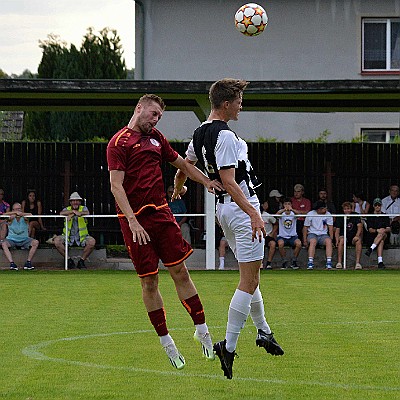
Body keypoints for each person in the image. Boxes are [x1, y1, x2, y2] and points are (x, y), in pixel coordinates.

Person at [174, 79, 284, 380]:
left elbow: (184, 165)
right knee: (247, 281)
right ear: (225, 103)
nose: (241, 105)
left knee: (252, 276)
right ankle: (229, 346)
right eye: (238, 100)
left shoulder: (200, 133)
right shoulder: (224, 136)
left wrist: (181, 186)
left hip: (226, 211)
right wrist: (254, 214)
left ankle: (264, 332)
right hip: (239, 208)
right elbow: (231, 181)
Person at [107, 94, 223, 370]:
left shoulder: (157, 139)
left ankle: (203, 331)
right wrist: (133, 221)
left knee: (180, 271)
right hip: (135, 222)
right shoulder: (118, 143)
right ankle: (167, 343)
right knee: (150, 282)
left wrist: (206, 182)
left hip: (161, 215)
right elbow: (116, 186)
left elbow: (183, 165)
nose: (156, 119)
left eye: (159, 116)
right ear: (139, 108)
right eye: (153, 113)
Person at [53, 192, 96, 269]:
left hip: (82, 237)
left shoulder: (83, 208)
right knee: (57, 241)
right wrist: (73, 212)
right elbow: (61, 213)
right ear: (70, 202)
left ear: (80, 202)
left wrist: (74, 214)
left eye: (77, 200)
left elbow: (87, 213)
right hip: (67, 236)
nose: (75, 202)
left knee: (92, 242)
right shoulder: (67, 209)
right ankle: (69, 260)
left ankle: (81, 261)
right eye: (73, 200)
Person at [1, 202, 39, 270]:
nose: (17, 211)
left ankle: (28, 262)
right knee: (4, 244)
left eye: (19, 209)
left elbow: (30, 214)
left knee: (35, 242)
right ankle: (12, 264)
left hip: (24, 239)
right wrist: (14, 214)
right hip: (12, 239)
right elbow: (4, 214)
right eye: (15, 209)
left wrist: (21, 214)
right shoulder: (10, 218)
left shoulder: (25, 217)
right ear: (12, 210)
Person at [303, 201, 334, 270]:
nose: (326, 209)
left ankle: (329, 262)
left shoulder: (328, 214)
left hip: (323, 234)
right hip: (312, 234)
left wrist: (331, 239)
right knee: (313, 241)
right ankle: (310, 262)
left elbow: (330, 227)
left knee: (328, 241)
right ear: (318, 209)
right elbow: (305, 227)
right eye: (324, 208)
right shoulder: (310, 214)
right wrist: (305, 240)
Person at [334, 201, 363, 270]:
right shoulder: (340, 217)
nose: (347, 210)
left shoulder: (355, 215)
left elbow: (359, 227)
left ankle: (357, 263)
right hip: (343, 236)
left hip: (353, 236)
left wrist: (357, 235)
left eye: (348, 208)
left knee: (358, 241)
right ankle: (339, 262)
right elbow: (337, 230)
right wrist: (336, 239)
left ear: (351, 209)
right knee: (341, 240)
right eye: (345, 209)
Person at [364, 198, 391, 269]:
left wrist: (383, 230)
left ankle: (371, 249)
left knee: (382, 234)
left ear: (381, 205)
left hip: (384, 236)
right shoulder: (370, 216)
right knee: (381, 240)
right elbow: (370, 229)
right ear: (373, 206)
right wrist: (377, 230)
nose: (377, 206)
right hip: (373, 237)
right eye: (376, 205)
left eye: (379, 205)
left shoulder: (385, 216)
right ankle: (380, 262)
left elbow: (389, 228)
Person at [275, 198, 301, 270]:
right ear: (283, 205)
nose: (287, 206)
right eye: (286, 204)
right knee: (280, 244)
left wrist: (291, 209)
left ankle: (294, 260)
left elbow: (299, 215)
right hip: (282, 236)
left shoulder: (293, 214)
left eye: (289, 204)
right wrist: (284, 209)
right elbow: (276, 215)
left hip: (293, 236)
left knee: (299, 244)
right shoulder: (281, 214)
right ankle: (284, 261)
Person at [261, 199, 277, 269]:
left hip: (267, 236)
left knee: (273, 244)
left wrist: (272, 233)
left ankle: (268, 263)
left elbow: (276, 223)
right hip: (257, 236)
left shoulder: (267, 215)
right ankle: (260, 263)